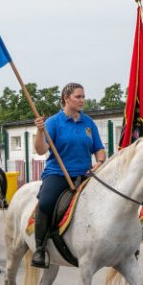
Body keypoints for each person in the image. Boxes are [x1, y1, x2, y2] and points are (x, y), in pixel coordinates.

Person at [30, 82, 106, 268]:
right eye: (78, 97)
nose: (82, 100)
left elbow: (99, 149)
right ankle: (40, 248)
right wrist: (40, 132)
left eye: (83, 97)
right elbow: (40, 150)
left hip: (85, 174)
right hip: (58, 174)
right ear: (66, 98)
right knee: (46, 202)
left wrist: (100, 162)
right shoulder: (53, 123)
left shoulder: (88, 122)